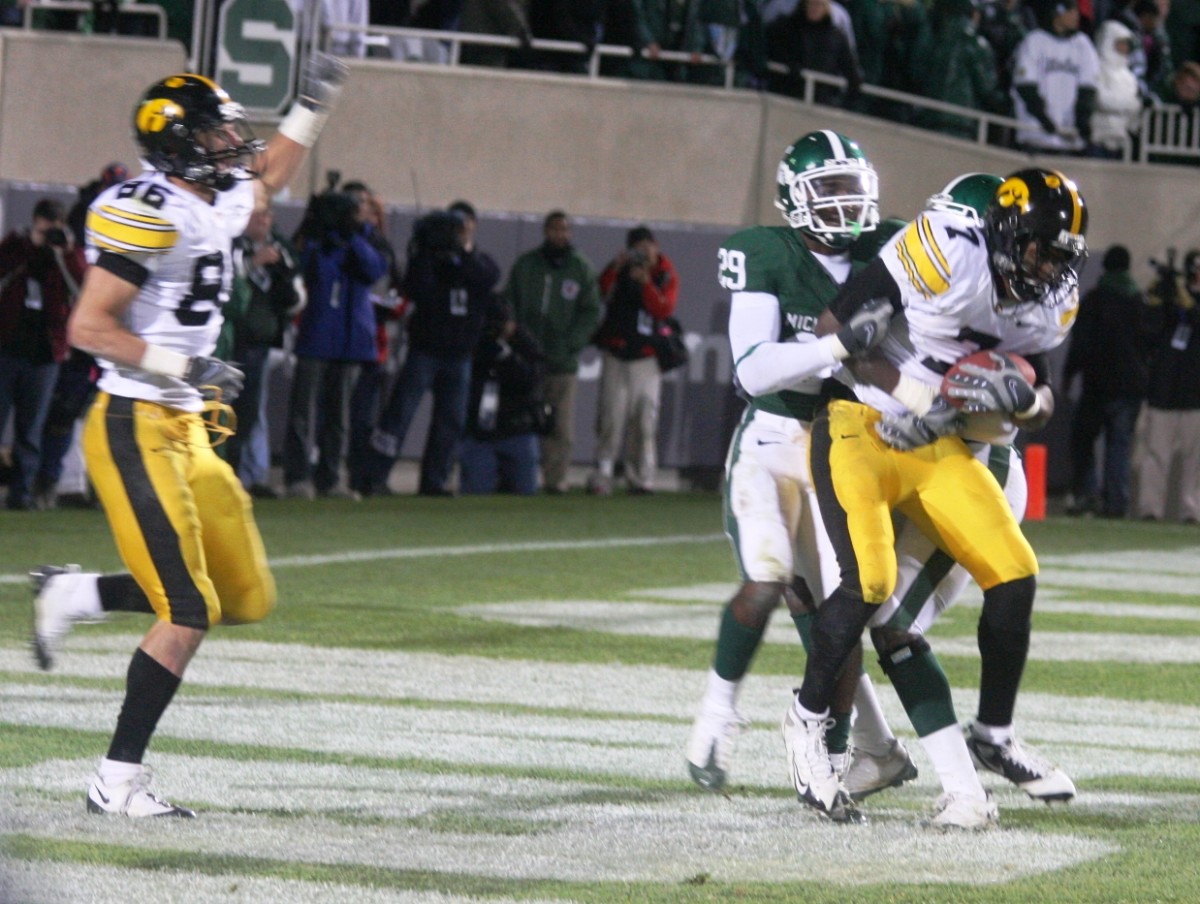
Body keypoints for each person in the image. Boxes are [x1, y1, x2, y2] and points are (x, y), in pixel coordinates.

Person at [29, 60, 348, 818]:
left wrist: (312, 107)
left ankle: (75, 593)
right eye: (215, 130)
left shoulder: (218, 193)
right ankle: (116, 782)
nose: (234, 140)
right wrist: (188, 362)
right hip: (134, 422)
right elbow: (88, 326)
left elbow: (267, 173)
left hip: (187, 427)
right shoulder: (151, 208)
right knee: (187, 610)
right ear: (177, 147)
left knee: (243, 594)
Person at [781, 167, 1089, 825]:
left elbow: (1039, 395)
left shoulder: (1051, 300)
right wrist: (922, 396)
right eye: (1038, 245)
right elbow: (838, 328)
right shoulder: (948, 247)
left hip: (944, 442)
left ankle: (993, 735)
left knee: (1015, 573)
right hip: (861, 422)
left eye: (1060, 253)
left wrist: (1026, 403)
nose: (1046, 264)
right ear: (1005, 229)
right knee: (869, 583)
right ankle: (806, 721)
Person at [685, 130, 895, 804]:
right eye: (826, 189)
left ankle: (833, 748)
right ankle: (717, 715)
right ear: (793, 196)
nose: (842, 203)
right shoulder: (763, 252)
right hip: (774, 441)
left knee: (843, 607)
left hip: (845, 444)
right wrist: (838, 347)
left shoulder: (883, 248)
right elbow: (753, 370)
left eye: (849, 187)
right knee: (768, 576)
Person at [359, 203, 503, 496]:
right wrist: (429, 253)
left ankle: (434, 481)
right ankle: (375, 475)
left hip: (460, 354)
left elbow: (488, 278)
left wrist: (460, 255)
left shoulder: (477, 260)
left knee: (451, 421)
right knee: (400, 414)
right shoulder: (428, 259)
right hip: (426, 350)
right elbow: (417, 288)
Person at [283, 186, 388, 500]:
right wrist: (315, 230)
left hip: (350, 337)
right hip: (317, 333)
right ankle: (298, 477)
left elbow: (374, 270)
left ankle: (330, 478)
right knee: (303, 410)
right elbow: (302, 267)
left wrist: (352, 237)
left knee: (338, 414)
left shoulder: (366, 237)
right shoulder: (317, 238)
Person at [502, 210, 601, 494]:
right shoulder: (527, 266)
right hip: (525, 360)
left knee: (561, 426)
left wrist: (572, 343)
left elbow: (591, 311)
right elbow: (511, 303)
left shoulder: (580, 268)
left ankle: (555, 479)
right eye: (555, 230)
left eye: (565, 230)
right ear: (546, 232)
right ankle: (522, 477)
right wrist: (519, 340)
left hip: (562, 361)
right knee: (522, 420)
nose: (560, 235)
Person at [0, 198, 88, 510]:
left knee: (31, 427)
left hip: (46, 353)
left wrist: (64, 252)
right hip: (7, 348)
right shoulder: (16, 244)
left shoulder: (66, 252)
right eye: (45, 227)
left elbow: (84, 287)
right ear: (36, 222)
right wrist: (30, 245)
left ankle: (22, 493)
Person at [226, 182, 306, 498]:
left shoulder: (281, 248)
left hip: (259, 343)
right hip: (228, 341)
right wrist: (253, 263)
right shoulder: (230, 244)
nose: (264, 220)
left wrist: (282, 278)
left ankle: (243, 475)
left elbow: (296, 298)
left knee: (247, 415)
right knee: (220, 411)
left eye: (268, 214)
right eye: (257, 214)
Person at [587, 225, 679, 496]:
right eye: (637, 247)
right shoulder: (619, 269)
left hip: (646, 358)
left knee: (644, 420)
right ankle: (603, 473)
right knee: (611, 417)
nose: (642, 252)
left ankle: (641, 477)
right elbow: (599, 294)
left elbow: (664, 308)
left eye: (647, 246)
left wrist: (646, 283)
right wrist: (617, 267)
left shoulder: (664, 273)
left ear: (655, 245)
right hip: (617, 354)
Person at [1064, 244, 1150, 517]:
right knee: (1119, 446)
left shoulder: (1095, 299)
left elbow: (1081, 343)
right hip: (1130, 388)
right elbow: (1148, 343)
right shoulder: (1139, 301)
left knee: (1084, 440)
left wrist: (1068, 374)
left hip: (1098, 385)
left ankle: (1086, 495)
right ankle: (1116, 503)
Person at [1134, 249, 1200, 522]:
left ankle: (1192, 510)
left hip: (1196, 395)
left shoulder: (1188, 302)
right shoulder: (1169, 302)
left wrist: (1185, 299)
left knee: (1194, 461)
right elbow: (1147, 330)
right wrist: (1157, 295)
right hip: (1163, 392)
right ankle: (1150, 509)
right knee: (1155, 456)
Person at [458, 301, 549, 495]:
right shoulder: (472, 340)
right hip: (480, 434)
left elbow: (532, 381)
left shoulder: (524, 343)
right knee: (475, 491)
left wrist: (508, 358)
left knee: (525, 491)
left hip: (517, 431)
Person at [1011, 0, 1100, 154]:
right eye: (1071, 11)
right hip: (1035, 136)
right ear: (1057, 13)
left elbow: (1088, 88)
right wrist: (1044, 119)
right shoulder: (1034, 41)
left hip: (1069, 140)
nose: (1076, 16)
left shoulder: (1083, 45)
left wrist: (1082, 122)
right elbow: (1026, 87)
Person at [766, 0, 863, 108]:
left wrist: (844, 103)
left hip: (821, 102)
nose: (814, 8)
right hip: (786, 96)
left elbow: (851, 71)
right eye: (811, 4)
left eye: (819, 4)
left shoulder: (836, 36)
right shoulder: (785, 28)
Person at [1090, 18, 1143, 157]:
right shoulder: (1095, 68)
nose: (1124, 48)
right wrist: (1131, 104)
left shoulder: (1129, 77)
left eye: (1126, 44)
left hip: (1121, 141)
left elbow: (1135, 110)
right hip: (1097, 138)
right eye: (1120, 43)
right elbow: (1101, 99)